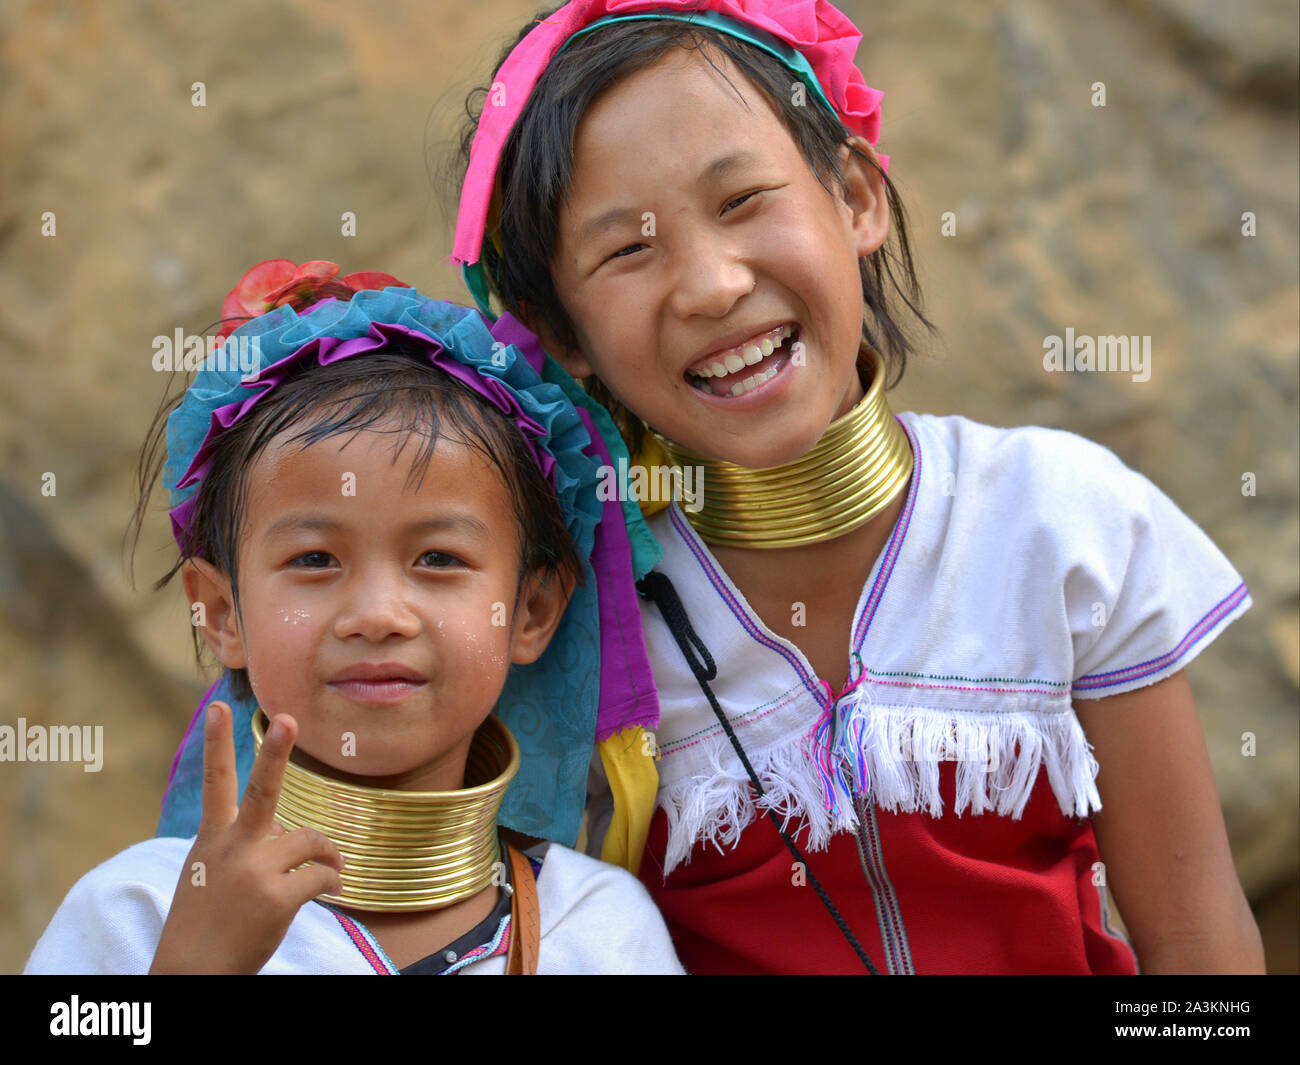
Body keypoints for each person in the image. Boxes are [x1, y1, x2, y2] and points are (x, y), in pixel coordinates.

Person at [449, 0, 1265, 974]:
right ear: (565, 335)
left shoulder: (1055, 524)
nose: (709, 284)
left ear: (855, 197)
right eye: (626, 249)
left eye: (743, 198)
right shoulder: (580, 620)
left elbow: (1197, 949)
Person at [25, 261, 684, 974]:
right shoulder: (140, 910)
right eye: (314, 560)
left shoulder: (596, 931)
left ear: (532, 610)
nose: (376, 615)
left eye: (437, 558)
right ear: (220, 613)